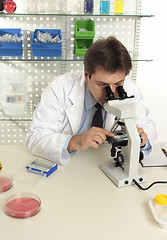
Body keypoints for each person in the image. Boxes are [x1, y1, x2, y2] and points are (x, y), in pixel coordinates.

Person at [26, 36, 157, 164]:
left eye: (118, 84)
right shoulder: (61, 87)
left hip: (108, 163)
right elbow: (35, 137)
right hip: (69, 167)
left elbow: (148, 128)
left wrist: (141, 139)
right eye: (102, 85)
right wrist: (74, 141)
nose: (111, 92)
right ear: (86, 75)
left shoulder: (130, 89)